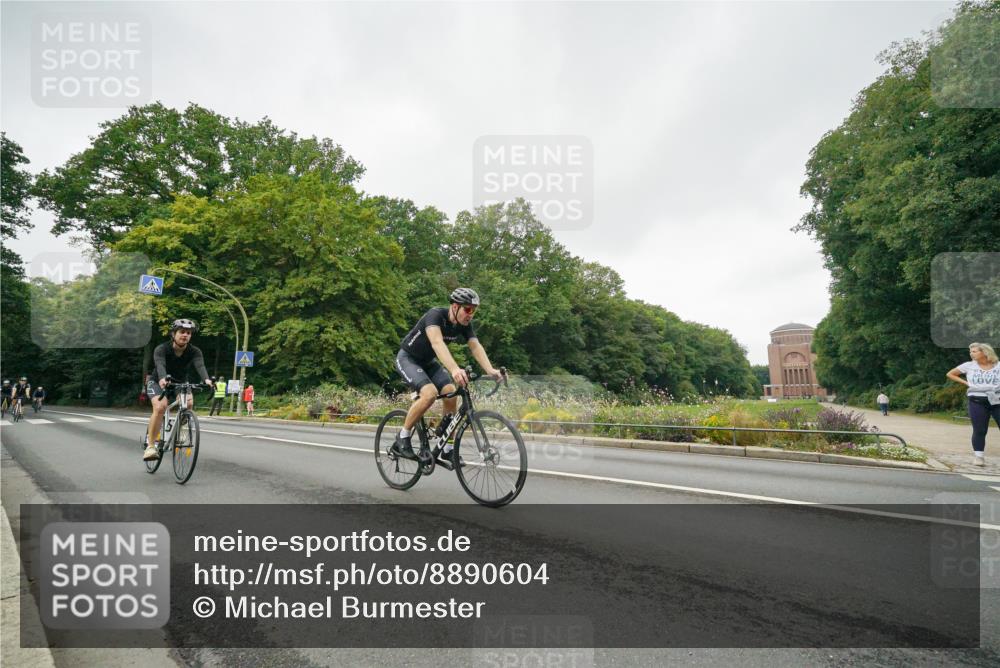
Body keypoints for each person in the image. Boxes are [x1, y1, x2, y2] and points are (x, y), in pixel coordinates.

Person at [392, 287, 504, 467]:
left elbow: (475, 346)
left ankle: (447, 449)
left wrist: (490, 370)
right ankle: (402, 437)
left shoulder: (464, 325)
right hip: (408, 359)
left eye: (474, 311)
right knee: (429, 394)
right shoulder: (435, 315)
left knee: (451, 392)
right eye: (468, 309)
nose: (470, 314)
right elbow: (437, 343)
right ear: (455, 306)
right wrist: (454, 369)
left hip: (428, 362)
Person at [144, 319, 213, 461]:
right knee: (160, 406)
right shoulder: (162, 349)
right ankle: (150, 446)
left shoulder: (194, 351)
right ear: (173, 334)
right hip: (158, 381)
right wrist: (163, 378)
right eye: (182, 332)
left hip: (180, 382)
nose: (185, 335)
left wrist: (207, 380)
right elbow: (160, 364)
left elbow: (200, 366)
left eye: (188, 333)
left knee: (188, 403)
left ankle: (181, 430)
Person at [946, 342, 1000, 467]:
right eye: (970, 352)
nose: (971, 354)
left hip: (997, 401)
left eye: (974, 351)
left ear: (984, 352)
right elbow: (950, 374)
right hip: (977, 401)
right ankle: (979, 457)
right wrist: (966, 383)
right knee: (980, 430)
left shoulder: (998, 366)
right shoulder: (968, 366)